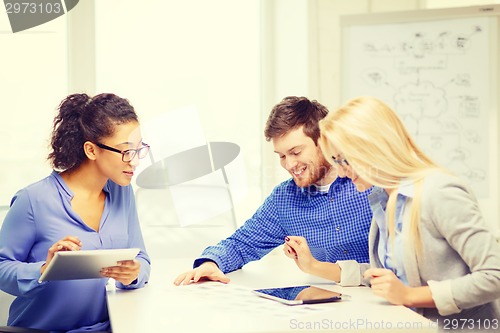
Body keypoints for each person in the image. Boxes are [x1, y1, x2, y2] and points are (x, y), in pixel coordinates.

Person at [314, 95, 500, 325]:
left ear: (373, 148)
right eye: (336, 162)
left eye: (344, 160)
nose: (341, 173)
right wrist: (315, 267)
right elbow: (392, 277)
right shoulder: (383, 199)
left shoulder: (439, 192)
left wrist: (409, 296)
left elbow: (494, 276)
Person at [174, 96, 373, 286]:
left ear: (323, 142)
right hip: (329, 301)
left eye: (296, 152)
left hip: (383, 299)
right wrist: (211, 264)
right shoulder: (285, 198)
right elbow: (242, 243)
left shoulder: (368, 182)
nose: (290, 164)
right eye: (282, 156)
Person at [0, 93, 151, 332]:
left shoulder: (123, 193)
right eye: (126, 151)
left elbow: (141, 259)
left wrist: (133, 274)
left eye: (138, 149)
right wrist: (43, 269)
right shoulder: (33, 200)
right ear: (91, 150)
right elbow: (2, 267)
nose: (134, 162)